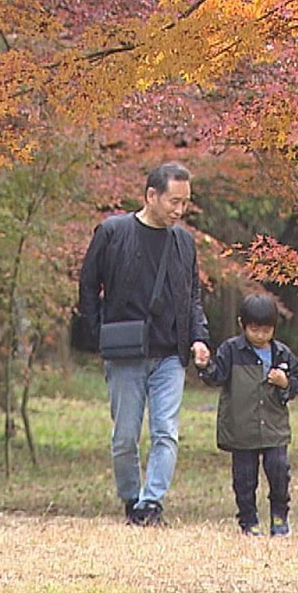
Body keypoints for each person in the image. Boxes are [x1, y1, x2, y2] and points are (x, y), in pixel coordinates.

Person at [78, 161, 211, 527]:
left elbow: (192, 296)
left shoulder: (183, 242)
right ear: (151, 195)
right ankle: (131, 499)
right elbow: (88, 285)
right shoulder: (113, 232)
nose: (180, 210)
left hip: (170, 354)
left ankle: (151, 504)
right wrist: (99, 333)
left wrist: (199, 337)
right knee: (125, 437)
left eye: (185, 202)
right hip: (125, 352)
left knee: (166, 432)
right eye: (174, 201)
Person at [197, 291, 298, 536]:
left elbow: (296, 386)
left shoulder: (282, 354)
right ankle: (248, 520)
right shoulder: (231, 350)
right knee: (244, 479)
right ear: (242, 324)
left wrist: (285, 382)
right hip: (241, 427)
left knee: (279, 471)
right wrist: (204, 365)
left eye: (266, 330)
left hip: (274, 427)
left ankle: (279, 516)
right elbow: (216, 377)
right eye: (254, 329)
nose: (260, 335)